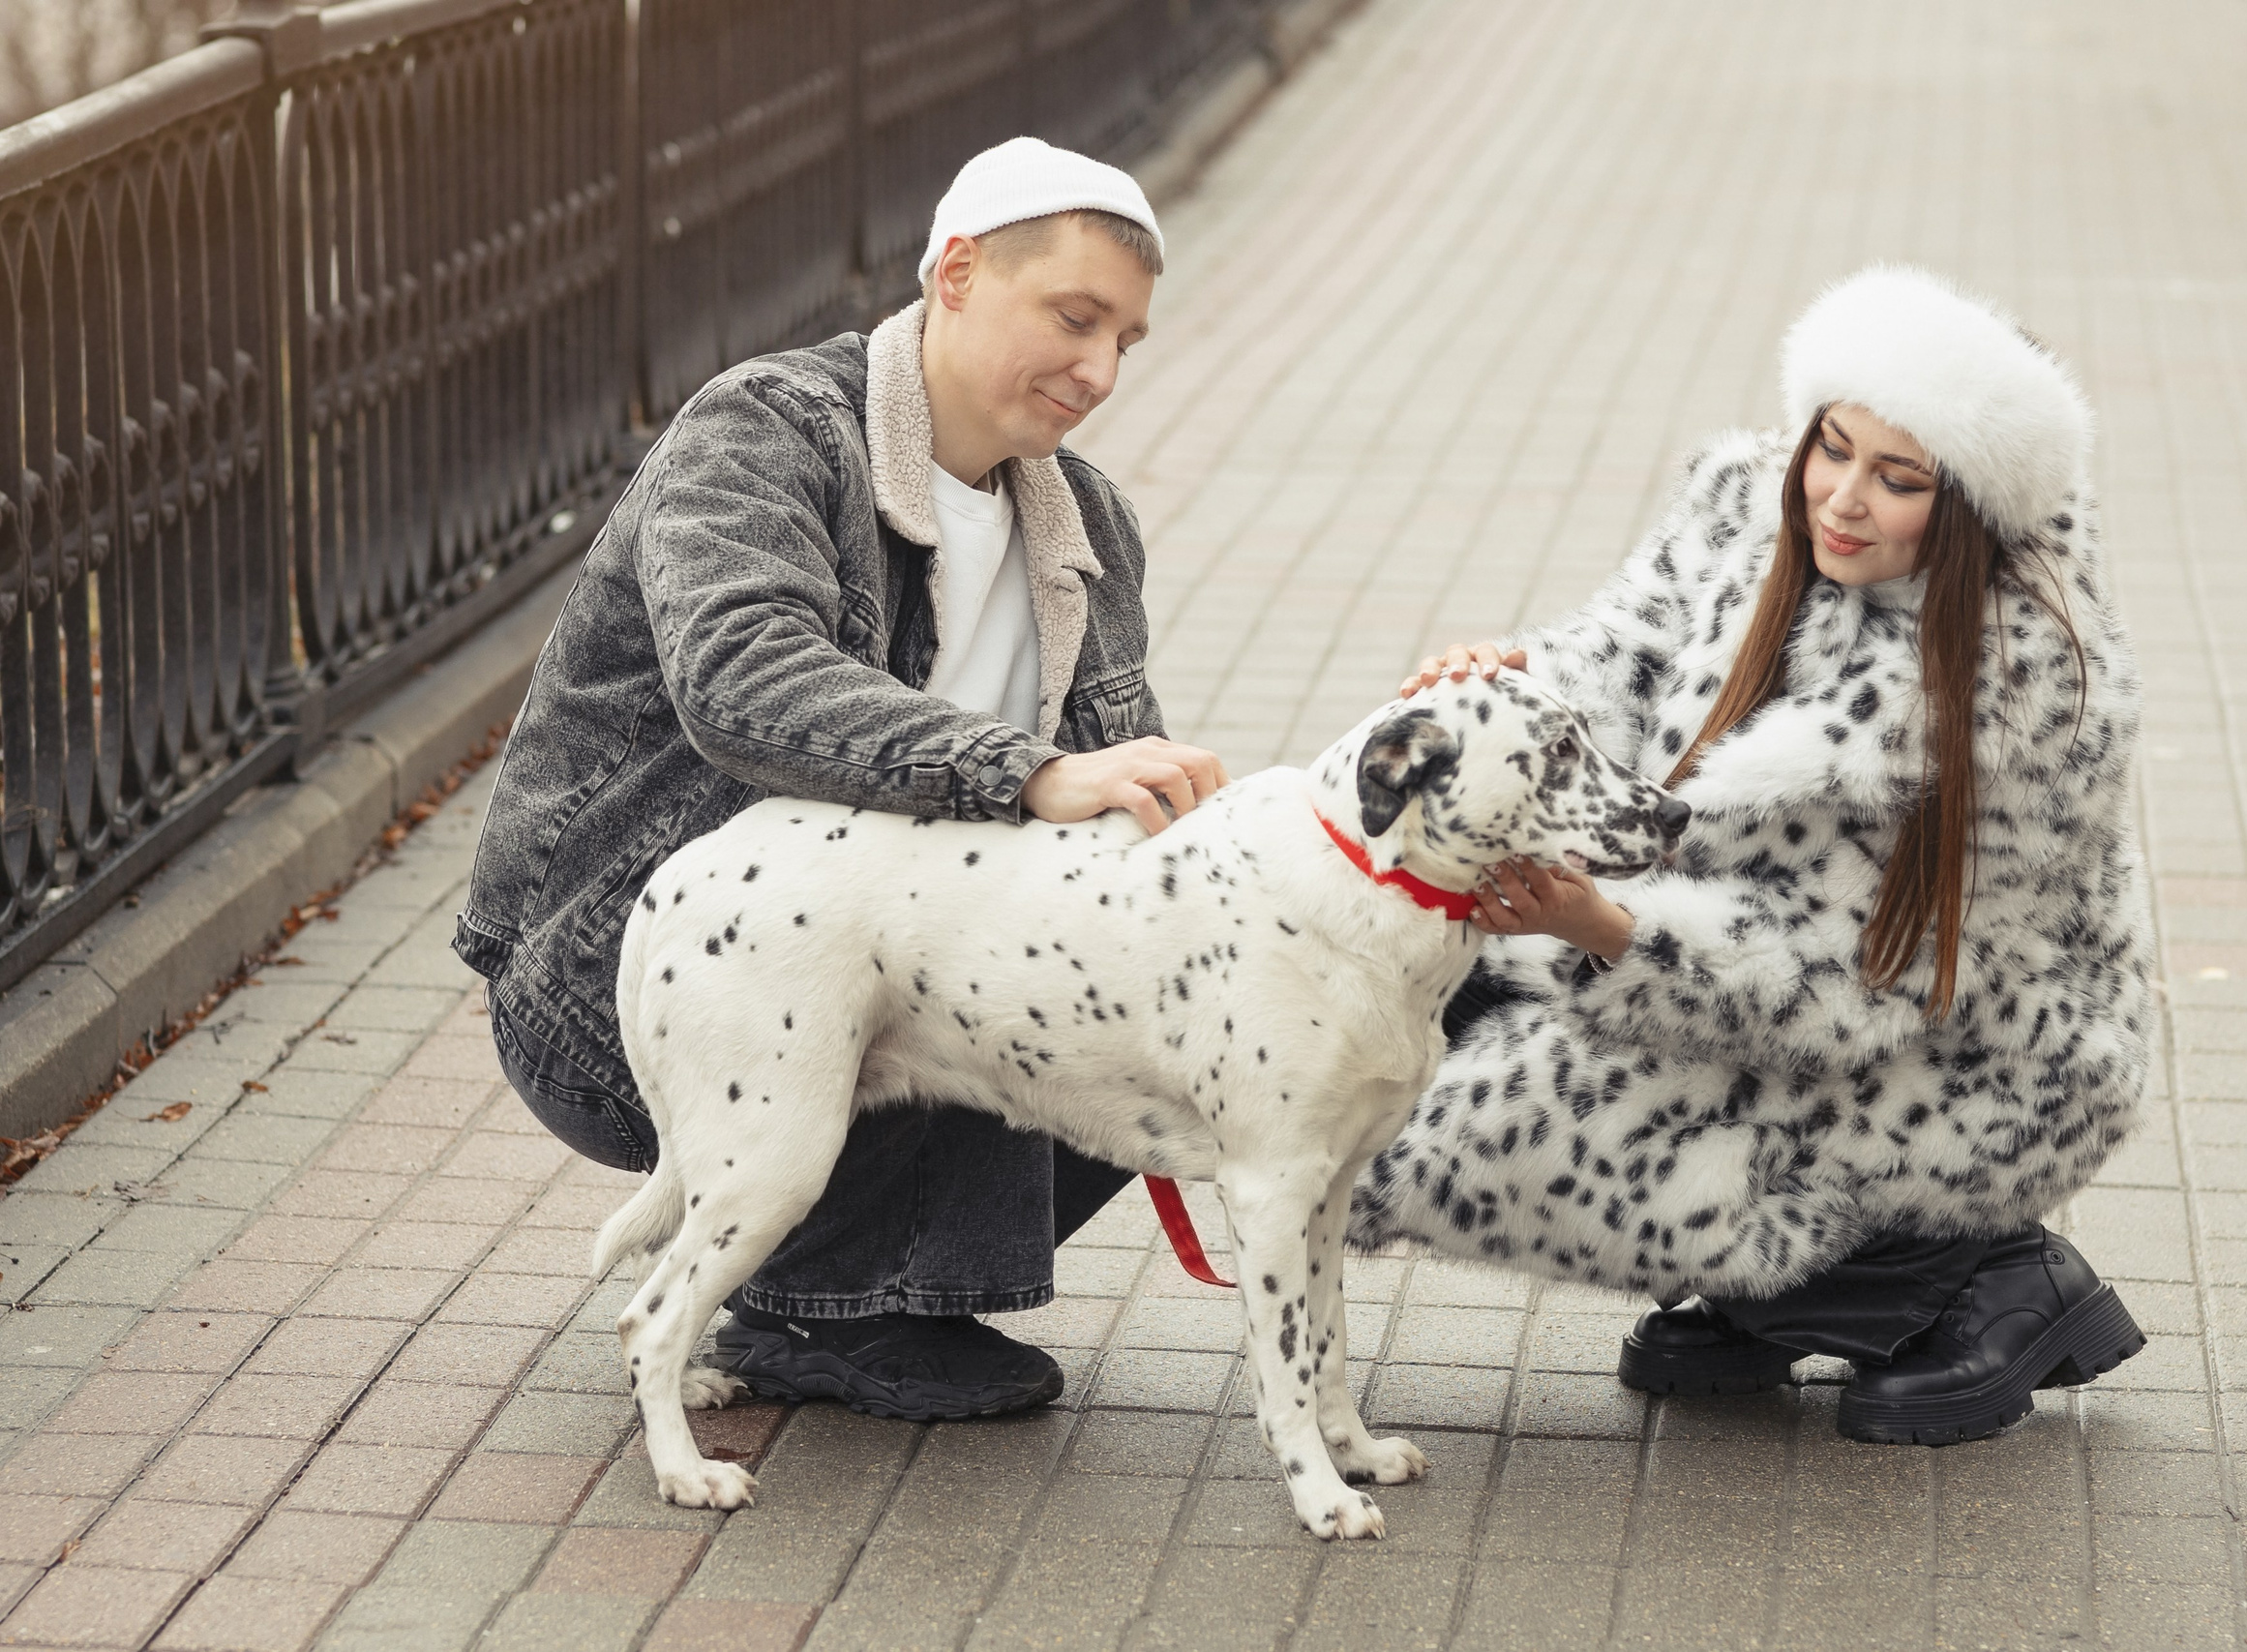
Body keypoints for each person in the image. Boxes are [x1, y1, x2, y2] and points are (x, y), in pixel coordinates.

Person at [456, 138, 1226, 1422]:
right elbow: (744, 678)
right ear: (962, 271)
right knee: (974, 933)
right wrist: (1028, 774)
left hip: (891, 978)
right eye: (1075, 318)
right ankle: (819, 1300)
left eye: (1125, 343)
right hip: (623, 989)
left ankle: (854, 1279)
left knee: (1176, 1017)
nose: (1098, 372)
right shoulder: (764, 431)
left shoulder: (1086, 525)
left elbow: (1113, 820)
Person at [1349, 267, 2157, 1444]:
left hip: (1960, 1074)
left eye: (1899, 480)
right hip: (1726, 989)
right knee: (1389, 994)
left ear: (1974, 503)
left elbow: (1854, 995)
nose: (1840, 499)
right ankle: (1789, 1292)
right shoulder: (1744, 503)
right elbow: (1613, 655)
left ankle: (1973, 1272)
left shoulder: (2025, 690)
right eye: (1831, 448)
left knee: (1451, 1129)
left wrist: (1606, 932)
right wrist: (1505, 690)